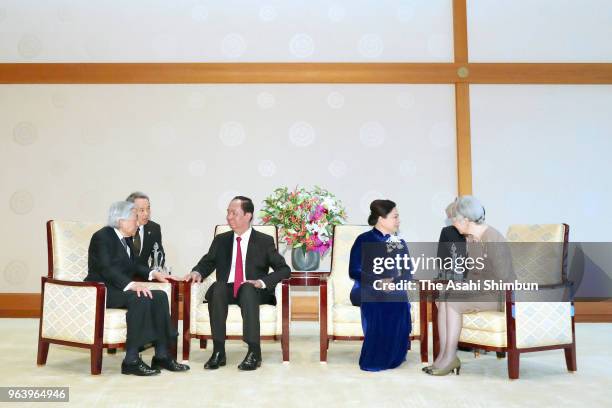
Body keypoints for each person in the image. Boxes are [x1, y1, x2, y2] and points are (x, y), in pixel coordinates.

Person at [185, 196, 291, 371]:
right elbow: (208, 262)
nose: (229, 217)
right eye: (228, 213)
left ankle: (254, 352)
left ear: (248, 215)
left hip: (252, 291)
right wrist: (197, 271)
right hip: (227, 289)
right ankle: (219, 351)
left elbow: (284, 269)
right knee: (217, 287)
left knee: (247, 289)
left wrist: (261, 282)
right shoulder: (222, 240)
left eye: (234, 213)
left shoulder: (264, 241)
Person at [85, 201, 189, 376]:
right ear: (120, 220)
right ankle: (131, 360)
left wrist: (154, 274)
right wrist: (132, 285)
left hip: (119, 290)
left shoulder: (126, 239)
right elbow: (106, 268)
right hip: (100, 290)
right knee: (139, 297)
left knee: (160, 296)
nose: (138, 221)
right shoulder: (102, 236)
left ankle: (162, 355)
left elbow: (135, 266)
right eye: (134, 217)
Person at [425, 195, 513, 376]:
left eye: (454, 219)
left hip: (499, 295)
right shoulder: (472, 238)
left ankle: (450, 357)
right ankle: (443, 356)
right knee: (443, 297)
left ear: (465, 220)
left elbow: (505, 279)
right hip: (480, 291)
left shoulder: (492, 237)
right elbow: (473, 274)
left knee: (452, 302)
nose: (452, 223)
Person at [349, 199, 412, 371]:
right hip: (364, 287)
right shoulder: (363, 240)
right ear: (381, 219)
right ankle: (375, 357)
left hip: (392, 289)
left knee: (398, 297)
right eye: (395, 217)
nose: (398, 221)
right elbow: (353, 271)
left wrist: (394, 283)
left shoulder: (399, 242)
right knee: (379, 297)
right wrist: (378, 282)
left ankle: (394, 354)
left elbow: (408, 272)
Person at [125, 192, 166, 270]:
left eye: (148, 208)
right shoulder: (121, 228)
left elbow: (158, 255)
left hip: (144, 277)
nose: (146, 213)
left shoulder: (154, 228)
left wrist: (153, 273)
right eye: (142, 210)